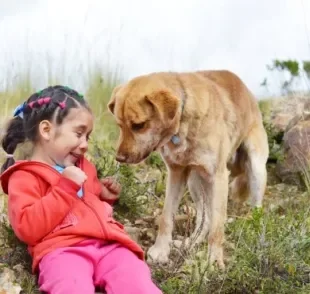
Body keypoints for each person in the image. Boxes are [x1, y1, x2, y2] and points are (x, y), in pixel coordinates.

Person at [0, 85, 162, 294]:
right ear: (46, 130)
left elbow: (88, 196)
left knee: (136, 282)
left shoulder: (82, 166)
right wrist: (65, 187)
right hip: (63, 251)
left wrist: (105, 193)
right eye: (79, 133)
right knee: (70, 286)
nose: (85, 144)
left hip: (110, 245)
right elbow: (26, 227)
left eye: (88, 137)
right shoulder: (24, 176)